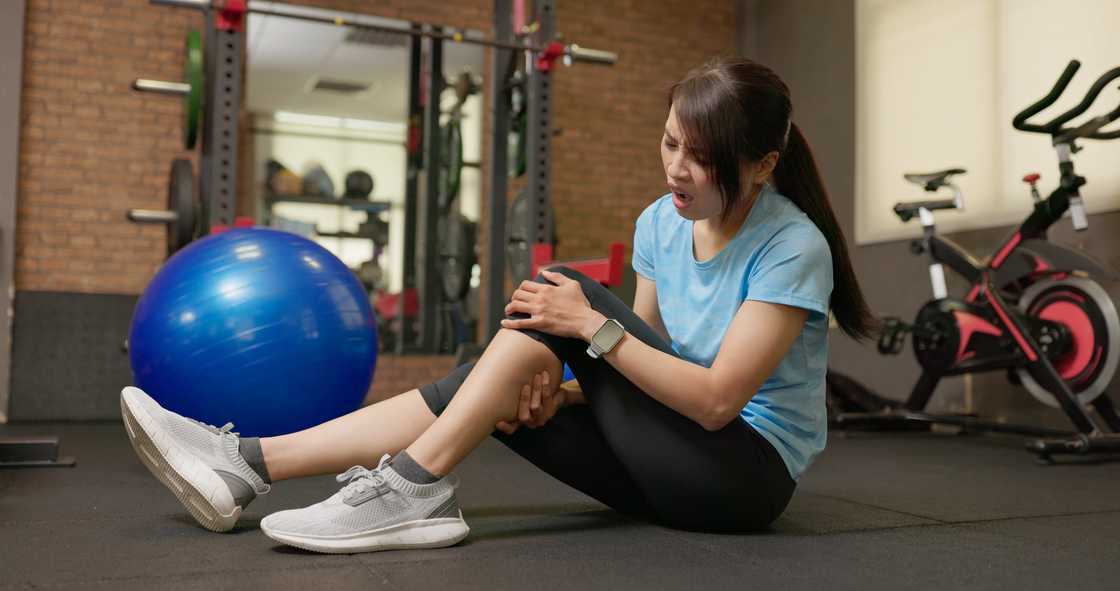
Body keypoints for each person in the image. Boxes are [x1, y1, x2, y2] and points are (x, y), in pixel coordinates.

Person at [120, 56, 875, 554]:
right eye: (670, 143)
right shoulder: (659, 223)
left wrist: (588, 329)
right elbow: (657, 359)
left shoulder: (791, 245)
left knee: (562, 304)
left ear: (763, 164)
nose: (677, 169)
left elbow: (713, 401)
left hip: (740, 477)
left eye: (701, 159)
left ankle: (408, 487)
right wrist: (558, 387)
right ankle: (249, 463)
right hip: (668, 455)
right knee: (497, 375)